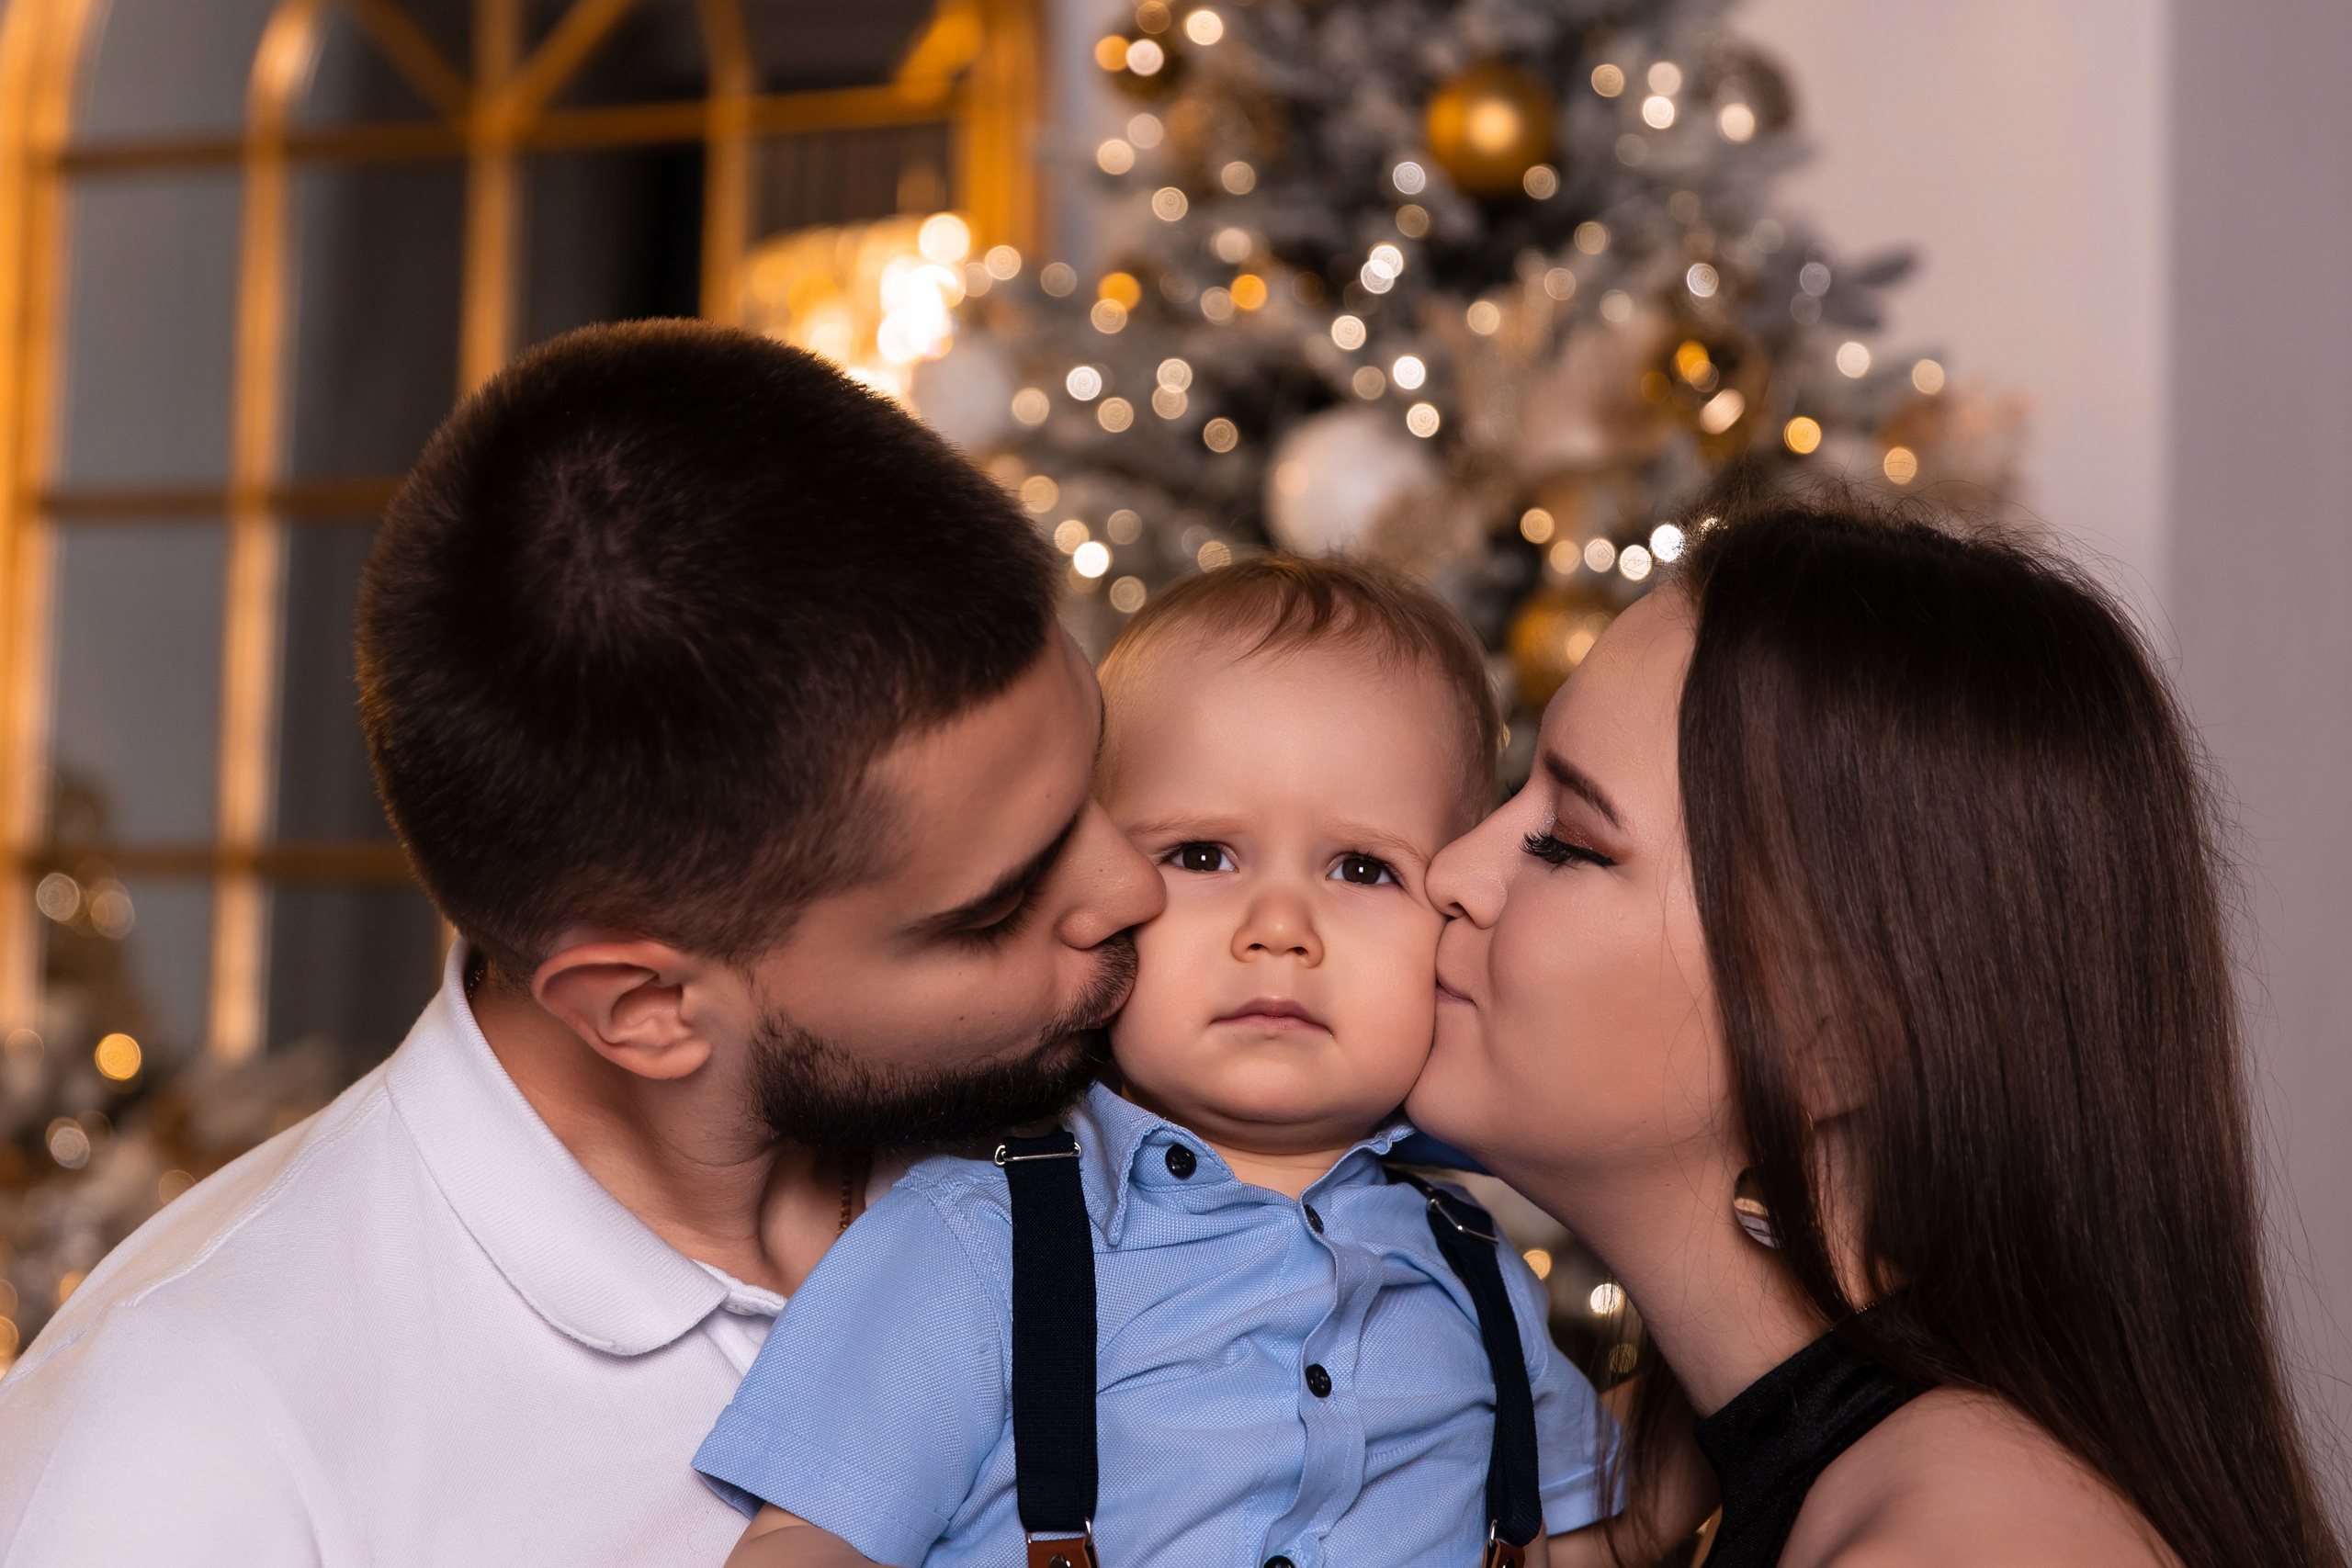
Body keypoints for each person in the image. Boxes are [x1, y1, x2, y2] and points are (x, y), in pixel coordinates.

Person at [0, 322, 1166, 1564]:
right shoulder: (189, 1451)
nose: (1134, 885)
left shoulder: (1160, 1106)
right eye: (997, 905)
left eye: (1097, 769)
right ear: (646, 1004)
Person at [1408, 497, 2347, 1568]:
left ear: (1838, 1040)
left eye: (1570, 842)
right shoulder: (1704, 1463)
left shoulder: (1969, 1541)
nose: (1452, 872)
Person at [698, 558, 1617, 1568]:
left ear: (1450, 921)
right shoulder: (970, 1248)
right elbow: (808, 1543)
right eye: (1201, 855)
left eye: (1361, 869)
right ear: (1099, 885)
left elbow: (1580, 1544)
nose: (1279, 928)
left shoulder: (1479, 1277)